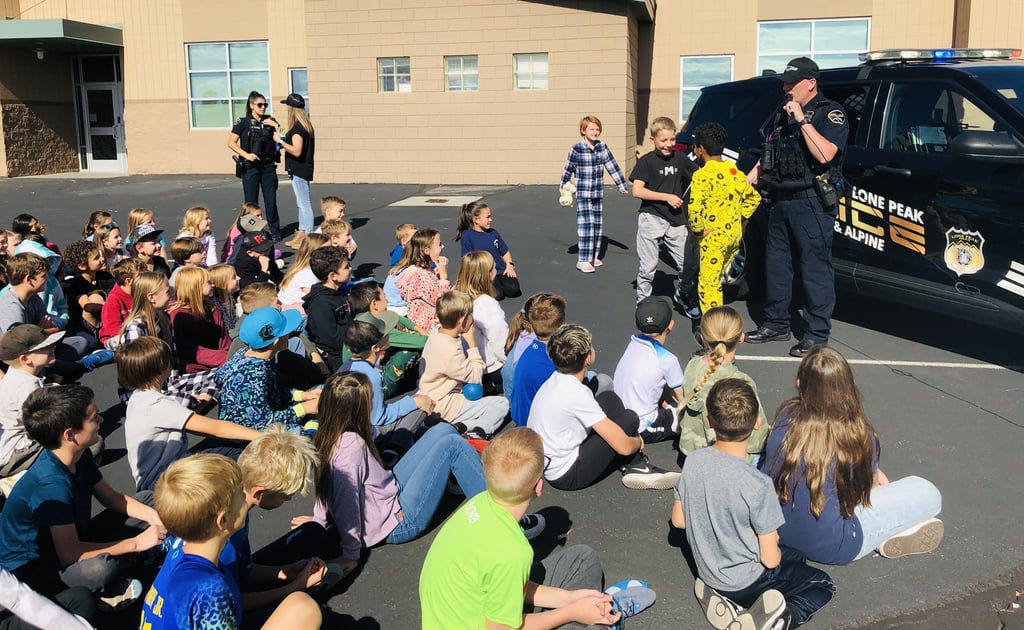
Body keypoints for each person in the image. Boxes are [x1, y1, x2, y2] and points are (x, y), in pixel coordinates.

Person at [419, 427, 656, 629]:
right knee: (580, 618)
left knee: (583, 558)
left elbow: (500, 583)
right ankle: (601, 614)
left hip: (466, 613)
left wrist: (569, 598)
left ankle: (594, 608)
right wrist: (570, 612)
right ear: (539, 486)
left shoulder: (479, 504)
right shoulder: (513, 552)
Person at [671, 379, 835, 629]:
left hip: (708, 570)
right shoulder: (758, 484)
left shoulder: (693, 461)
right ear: (757, 422)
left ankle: (728, 602)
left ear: (709, 422)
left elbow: (679, 520)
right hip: (745, 580)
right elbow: (770, 560)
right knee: (822, 584)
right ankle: (779, 619)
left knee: (798, 557)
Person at [762, 345, 943, 564]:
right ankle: (886, 532)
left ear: (799, 384)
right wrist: (875, 477)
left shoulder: (785, 415)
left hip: (776, 530)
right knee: (927, 492)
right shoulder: (857, 434)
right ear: (848, 386)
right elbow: (860, 494)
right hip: (834, 545)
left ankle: (888, 530)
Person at [308, 371, 493, 575]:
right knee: (454, 445)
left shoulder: (328, 434)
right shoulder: (351, 448)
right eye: (371, 400)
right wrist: (350, 554)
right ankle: (500, 515)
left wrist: (318, 521)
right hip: (397, 521)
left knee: (443, 431)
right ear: (358, 409)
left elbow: (325, 482)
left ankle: (460, 474)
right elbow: (347, 502)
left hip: (389, 491)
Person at [0, 385, 165, 608]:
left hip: (74, 535)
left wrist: (155, 517)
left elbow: (110, 497)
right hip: (40, 569)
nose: (101, 420)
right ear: (70, 434)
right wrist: (135, 543)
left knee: (148, 499)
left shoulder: (77, 454)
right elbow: (69, 553)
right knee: (100, 569)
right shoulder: (50, 484)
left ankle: (133, 560)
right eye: (94, 418)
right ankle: (103, 588)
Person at [140, 454, 322, 630]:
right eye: (240, 496)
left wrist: (288, 575)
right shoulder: (210, 590)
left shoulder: (190, 558)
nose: (246, 496)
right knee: (304, 608)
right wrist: (295, 587)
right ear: (223, 521)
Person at [745, 57, 849, 358]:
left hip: (811, 202)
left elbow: (825, 155)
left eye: (792, 84)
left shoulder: (830, 114)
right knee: (777, 266)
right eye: (785, 84)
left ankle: (816, 335)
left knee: (814, 269)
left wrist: (802, 120)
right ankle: (776, 323)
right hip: (780, 200)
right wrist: (746, 183)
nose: (787, 89)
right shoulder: (782, 117)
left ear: (811, 83)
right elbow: (768, 157)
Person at [528, 324, 679, 491]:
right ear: (588, 358)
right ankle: (637, 466)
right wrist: (636, 442)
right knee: (630, 418)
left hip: (548, 459)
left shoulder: (556, 380)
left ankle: (630, 462)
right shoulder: (577, 393)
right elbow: (624, 446)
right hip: (567, 474)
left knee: (609, 398)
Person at [117, 336, 259, 492]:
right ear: (162, 367)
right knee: (237, 453)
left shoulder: (139, 398)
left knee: (221, 448)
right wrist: (262, 435)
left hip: (156, 477)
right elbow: (217, 428)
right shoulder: (157, 405)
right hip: (166, 482)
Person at [688, 122, 762, 316]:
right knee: (718, 277)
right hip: (733, 236)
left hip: (712, 238)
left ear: (700, 149)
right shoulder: (733, 171)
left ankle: (714, 330)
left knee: (708, 285)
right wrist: (739, 217)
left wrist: (698, 231)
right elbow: (754, 197)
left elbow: (694, 209)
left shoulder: (702, 175)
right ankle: (717, 320)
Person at [679, 306, 769, 463]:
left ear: (702, 337)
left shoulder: (693, 365)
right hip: (728, 459)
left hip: (692, 453)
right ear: (741, 337)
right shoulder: (741, 382)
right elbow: (757, 439)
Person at [629, 116, 700, 312]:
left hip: (676, 220)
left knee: (689, 264)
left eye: (672, 139)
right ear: (653, 140)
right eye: (664, 140)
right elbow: (637, 191)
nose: (669, 145)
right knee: (648, 267)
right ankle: (643, 303)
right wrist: (667, 197)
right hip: (651, 217)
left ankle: (683, 295)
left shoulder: (680, 159)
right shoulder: (646, 162)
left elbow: (699, 175)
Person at [418, 290, 509, 438]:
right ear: (462, 321)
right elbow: (474, 378)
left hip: (431, 393)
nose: (473, 320)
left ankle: (459, 423)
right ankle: (474, 429)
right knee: (501, 403)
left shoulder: (437, 333)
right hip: (444, 404)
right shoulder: (449, 350)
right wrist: (472, 343)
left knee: (482, 399)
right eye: (471, 316)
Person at [337, 321, 432, 461]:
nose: (390, 333)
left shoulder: (345, 367)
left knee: (414, 415)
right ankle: (393, 451)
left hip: (349, 430)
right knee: (419, 407)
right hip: (369, 436)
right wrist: (414, 402)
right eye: (385, 333)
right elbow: (379, 418)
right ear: (375, 347)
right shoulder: (371, 376)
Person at [216, 307, 320, 433]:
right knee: (308, 428)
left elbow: (275, 391)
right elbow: (264, 423)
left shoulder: (244, 354)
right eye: (286, 332)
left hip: (266, 414)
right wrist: (304, 408)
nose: (289, 334)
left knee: (322, 391)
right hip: (250, 433)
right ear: (276, 342)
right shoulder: (254, 376)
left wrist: (304, 395)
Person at [558, 115, 629, 273]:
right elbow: (568, 168)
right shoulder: (576, 148)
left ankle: (593, 256)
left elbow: (612, 165)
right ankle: (583, 259)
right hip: (583, 193)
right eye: (592, 129)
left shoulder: (602, 147)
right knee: (586, 226)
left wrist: (621, 184)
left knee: (597, 225)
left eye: (597, 129)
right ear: (583, 131)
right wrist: (563, 185)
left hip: (597, 192)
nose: (595, 132)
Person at [613, 296, 683, 444]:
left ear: (636, 325)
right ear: (671, 325)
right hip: (642, 427)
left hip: (621, 415)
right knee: (685, 419)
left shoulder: (633, 342)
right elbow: (683, 399)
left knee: (661, 385)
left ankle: (666, 407)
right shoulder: (668, 359)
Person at [0, 325, 65, 479]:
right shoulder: (26, 386)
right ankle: (18, 479)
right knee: (88, 446)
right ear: (25, 359)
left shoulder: (18, 376)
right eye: (45, 347)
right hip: (16, 455)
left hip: (12, 450)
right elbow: (40, 427)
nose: (52, 346)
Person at [347, 282, 425, 398]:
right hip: (370, 385)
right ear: (374, 304)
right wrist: (422, 333)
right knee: (409, 351)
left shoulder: (360, 322)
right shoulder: (378, 330)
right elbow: (423, 342)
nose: (387, 300)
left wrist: (416, 328)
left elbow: (396, 318)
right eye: (384, 296)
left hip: (354, 374)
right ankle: (397, 383)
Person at [508, 292, 567, 426]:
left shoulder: (528, 350)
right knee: (599, 381)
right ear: (562, 323)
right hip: (537, 428)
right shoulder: (553, 362)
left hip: (522, 418)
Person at [228, 91, 282, 236]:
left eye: (265, 104)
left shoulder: (270, 121)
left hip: (268, 166)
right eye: (259, 105)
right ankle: (252, 231)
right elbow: (231, 143)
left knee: (271, 200)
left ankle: (275, 231)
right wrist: (246, 155)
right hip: (251, 167)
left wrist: (277, 126)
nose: (263, 107)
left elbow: (282, 140)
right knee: (251, 202)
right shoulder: (243, 122)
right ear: (252, 105)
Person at [454, 251, 508, 395]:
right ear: (487, 274)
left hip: (461, 364)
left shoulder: (454, 295)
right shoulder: (486, 304)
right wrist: (509, 363)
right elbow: (499, 341)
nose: (496, 270)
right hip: (487, 368)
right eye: (493, 268)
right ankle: (488, 386)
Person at [169, 267, 232, 372]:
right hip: (193, 366)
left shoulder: (211, 309)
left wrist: (230, 354)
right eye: (208, 282)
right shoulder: (178, 315)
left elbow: (223, 340)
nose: (213, 285)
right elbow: (186, 349)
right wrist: (221, 357)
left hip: (218, 361)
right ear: (195, 286)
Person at [455, 201, 521, 300]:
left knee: (514, 290)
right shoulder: (467, 236)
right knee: (498, 295)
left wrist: (510, 265)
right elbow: (466, 259)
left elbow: (504, 251)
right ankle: (480, 287)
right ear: (476, 219)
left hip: (500, 271)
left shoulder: (493, 233)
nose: (491, 219)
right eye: (488, 217)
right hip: (484, 274)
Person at [302, 246, 353, 371]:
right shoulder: (321, 304)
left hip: (349, 344)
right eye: (346, 267)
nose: (350, 268)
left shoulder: (339, 292)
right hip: (336, 355)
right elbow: (331, 338)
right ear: (333, 276)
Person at [275, 94, 316, 247]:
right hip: (301, 168)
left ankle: (309, 237)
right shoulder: (305, 126)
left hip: (299, 169)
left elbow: (297, 151)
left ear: (291, 109)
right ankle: (301, 233)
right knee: (301, 203)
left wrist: (280, 141)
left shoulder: (298, 127)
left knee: (304, 203)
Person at [61, 240, 115, 349]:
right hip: (81, 325)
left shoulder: (104, 277)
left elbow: (117, 292)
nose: (102, 259)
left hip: (102, 321)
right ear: (82, 266)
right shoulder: (77, 283)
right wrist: (111, 306)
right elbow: (87, 306)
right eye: (96, 258)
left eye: (100, 255)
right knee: (93, 344)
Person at [394, 229, 451, 331]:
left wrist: (435, 276)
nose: (443, 246)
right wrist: (443, 277)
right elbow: (443, 302)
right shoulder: (422, 276)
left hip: (420, 324)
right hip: (428, 328)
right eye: (439, 244)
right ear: (426, 250)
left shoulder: (418, 271)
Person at [98, 258, 144, 350]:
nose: (146, 280)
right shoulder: (114, 299)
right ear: (129, 281)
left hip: (137, 331)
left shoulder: (141, 293)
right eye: (142, 277)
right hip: (115, 337)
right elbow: (113, 327)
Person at [278, 233, 329, 311]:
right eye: (326, 251)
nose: (331, 252)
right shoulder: (307, 273)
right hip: (293, 311)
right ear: (313, 253)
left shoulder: (304, 267)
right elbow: (315, 300)